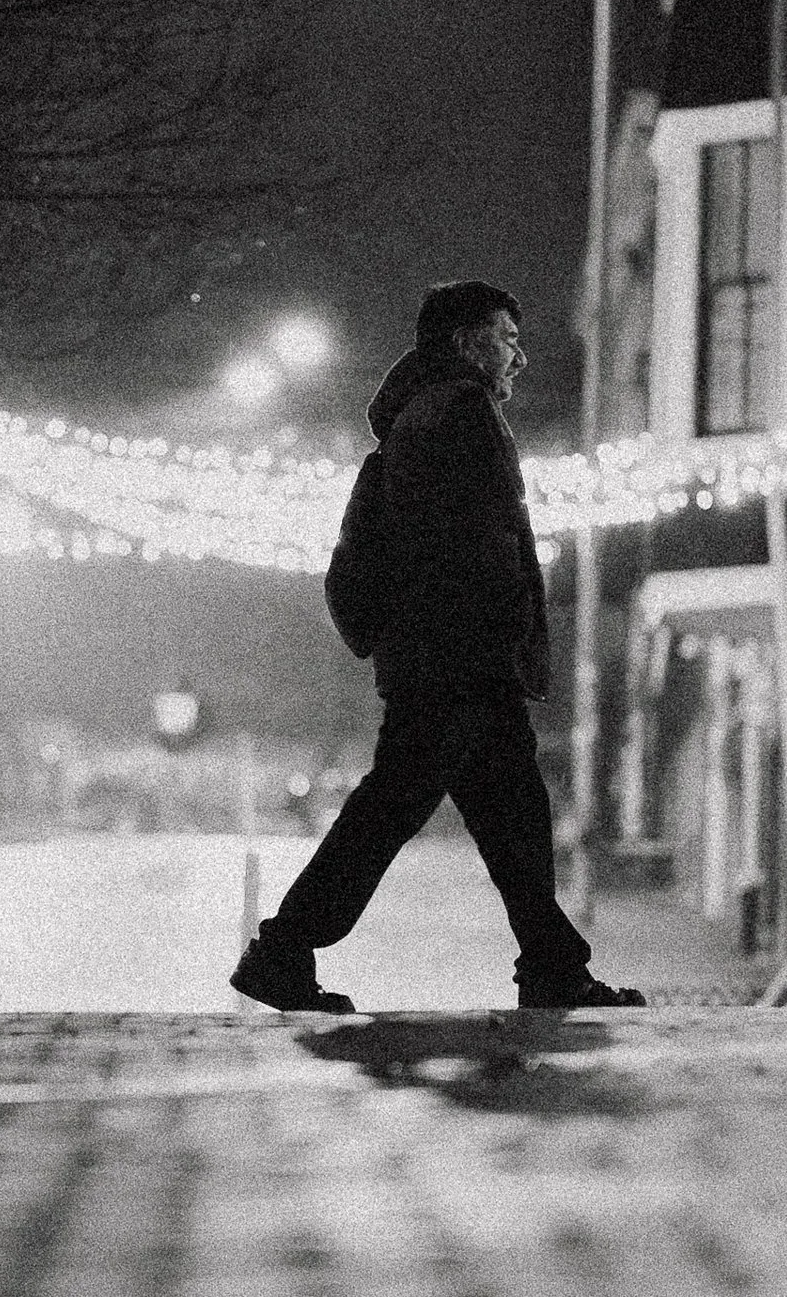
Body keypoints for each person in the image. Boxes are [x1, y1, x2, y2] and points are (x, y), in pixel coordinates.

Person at [231, 280, 644, 1015]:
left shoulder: (429, 415)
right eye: (506, 337)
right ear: (465, 341)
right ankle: (282, 948)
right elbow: (469, 541)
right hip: (456, 662)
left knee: (511, 816)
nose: (518, 354)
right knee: (392, 811)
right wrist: (499, 627)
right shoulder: (457, 412)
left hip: (451, 658)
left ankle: (552, 964)